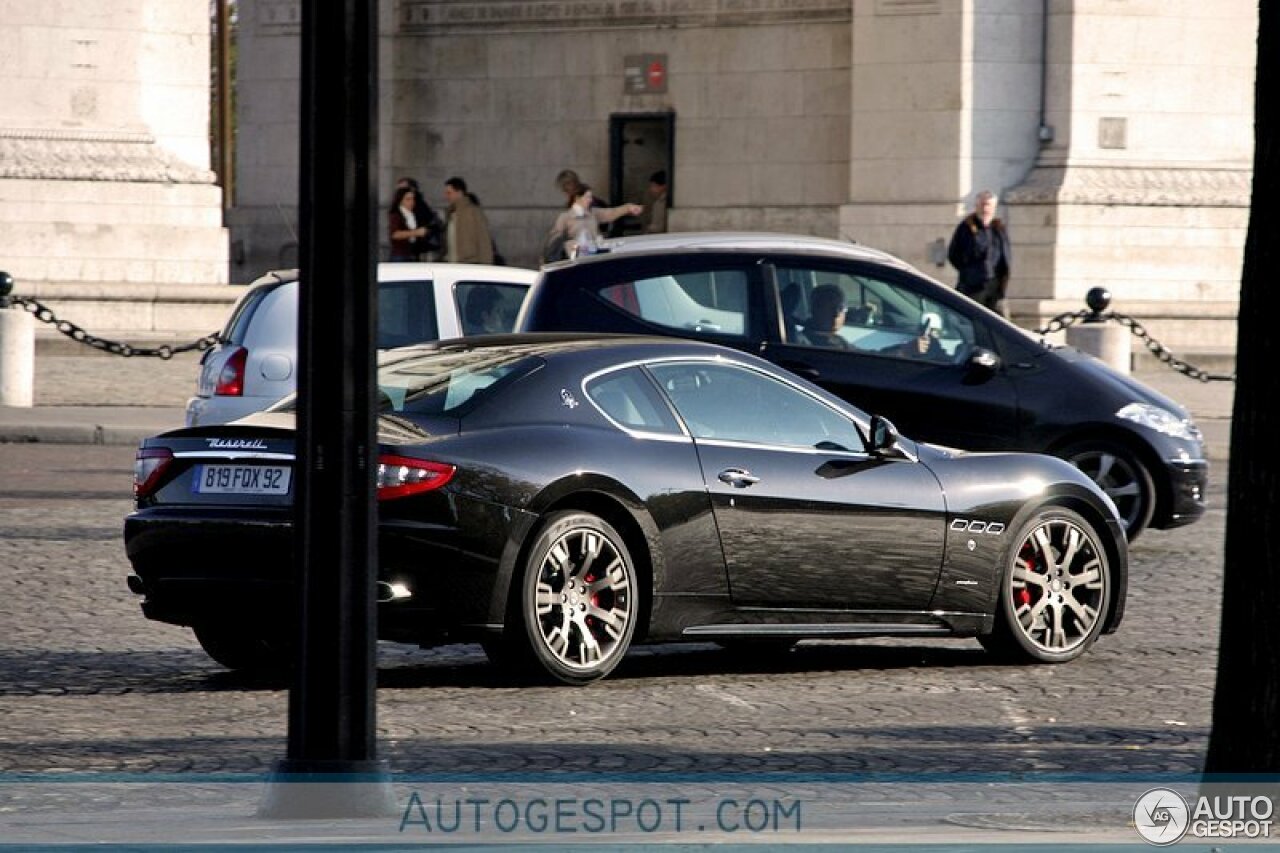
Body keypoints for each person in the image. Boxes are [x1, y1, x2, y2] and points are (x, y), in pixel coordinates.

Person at [947, 189, 1012, 316]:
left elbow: (1006, 256)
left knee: (1001, 323)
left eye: (988, 205)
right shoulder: (966, 227)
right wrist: (969, 273)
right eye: (982, 205)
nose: (985, 209)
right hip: (973, 287)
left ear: (994, 208)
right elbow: (954, 255)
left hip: (995, 286)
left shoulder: (998, 228)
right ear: (976, 206)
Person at [546, 185, 641, 259]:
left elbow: (611, 213)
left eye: (590, 197)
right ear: (578, 198)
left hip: (595, 253)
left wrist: (628, 208)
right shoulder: (565, 217)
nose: (590, 200)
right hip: (576, 257)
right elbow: (555, 240)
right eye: (587, 197)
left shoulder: (593, 213)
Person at [443, 176, 494, 264]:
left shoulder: (473, 212)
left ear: (459, 192)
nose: (446, 196)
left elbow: (483, 240)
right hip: (452, 263)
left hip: (470, 263)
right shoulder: (450, 213)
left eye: (449, 193)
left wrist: (486, 264)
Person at [387, 186, 432, 261]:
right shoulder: (396, 215)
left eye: (413, 199)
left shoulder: (413, 214)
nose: (412, 202)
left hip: (412, 253)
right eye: (408, 199)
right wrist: (416, 232)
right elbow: (395, 234)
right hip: (400, 255)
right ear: (400, 200)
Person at [801, 283, 849, 348]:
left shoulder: (838, 340)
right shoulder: (802, 342)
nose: (836, 314)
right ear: (814, 309)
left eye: (840, 308)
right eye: (830, 308)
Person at [644, 170, 669, 234]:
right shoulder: (659, 202)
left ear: (663, 186)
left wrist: (648, 229)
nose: (651, 189)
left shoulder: (661, 203)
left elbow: (659, 227)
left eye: (653, 186)